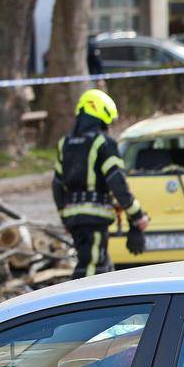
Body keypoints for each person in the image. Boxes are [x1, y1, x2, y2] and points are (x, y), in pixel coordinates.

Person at [52, 88, 149, 277]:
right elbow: (117, 183)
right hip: (94, 219)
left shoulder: (65, 143)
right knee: (91, 268)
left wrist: (65, 216)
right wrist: (137, 215)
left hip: (74, 217)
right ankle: (80, 304)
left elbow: (57, 184)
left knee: (104, 269)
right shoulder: (104, 144)